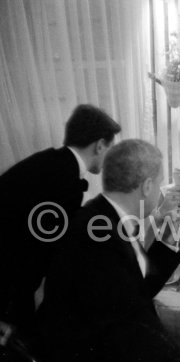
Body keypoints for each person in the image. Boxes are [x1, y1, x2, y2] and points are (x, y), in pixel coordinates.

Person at [33, 139, 180, 362]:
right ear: (147, 186)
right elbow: (124, 326)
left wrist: (169, 238)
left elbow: (136, 291)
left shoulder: (106, 216)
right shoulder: (97, 236)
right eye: (160, 183)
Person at [0, 104, 121, 344]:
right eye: (111, 149)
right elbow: (58, 247)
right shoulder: (66, 180)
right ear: (99, 145)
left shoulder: (50, 162)